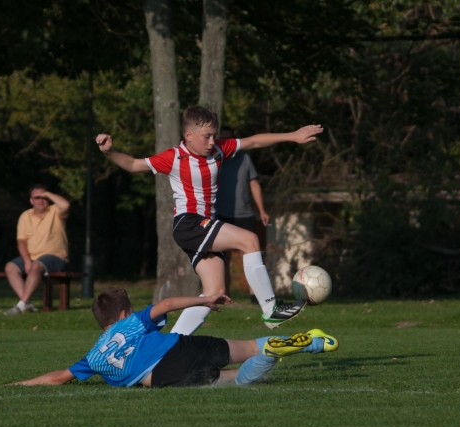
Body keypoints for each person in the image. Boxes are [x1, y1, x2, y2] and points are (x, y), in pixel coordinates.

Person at [96, 106, 323, 333]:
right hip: (189, 223)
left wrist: (293, 136)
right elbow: (134, 165)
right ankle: (270, 309)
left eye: (214, 135)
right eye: (207, 137)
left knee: (214, 293)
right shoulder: (174, 157)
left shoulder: (218, 150)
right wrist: (109, 151)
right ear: (189, 136)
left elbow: (253, 141)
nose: (212, 141)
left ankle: (172, 345)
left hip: (202, 224)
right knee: (250, 240)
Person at [10, 287, 338, 388]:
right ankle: (311, 342)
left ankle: (271, 357)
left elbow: (57, 378)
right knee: (247, 347)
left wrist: (17, 385)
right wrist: (204, 299)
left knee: (235, 381)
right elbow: (166, 305)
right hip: (177, 345)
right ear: (124, 314)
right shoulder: (131, 324)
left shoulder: (94, 357)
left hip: (164, 376)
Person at [215, 127, 269, 303]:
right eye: (222, 140)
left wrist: (262, 210)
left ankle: (255, 296)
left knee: (251, 254)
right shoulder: (215, 160)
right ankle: (225, 296)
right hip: (222, 214)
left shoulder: (245, 159)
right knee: (224, 259)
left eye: (229, 140)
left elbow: (254, 184)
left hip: (244, 214)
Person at [3, 184, 70, 315]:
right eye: (37, 197)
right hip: (33, 256)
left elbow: (66, 205)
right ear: (31, 201)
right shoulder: (25, 216)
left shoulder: (55, 211)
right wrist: (27, 261)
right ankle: (27, 304)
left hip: (55, 256)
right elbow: (21, 241)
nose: (40, 200)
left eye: (43, 197)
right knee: (10, 267)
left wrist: (48, 194)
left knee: (36, 266)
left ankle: (20, 306)